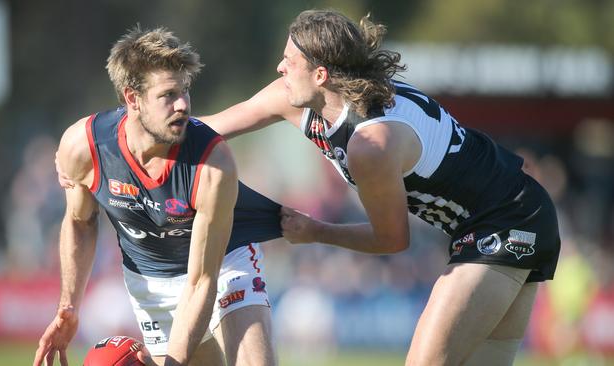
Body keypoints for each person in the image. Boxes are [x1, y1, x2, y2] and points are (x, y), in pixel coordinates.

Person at [198, 9, 562, 366]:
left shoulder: (371, 143)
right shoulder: (295, 97)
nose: (280, 68)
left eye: (289, 60)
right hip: (512, 214)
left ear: (321, 74)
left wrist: (316, 231)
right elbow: (207, 129)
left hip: (507, 221)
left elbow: (391, 239)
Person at [34, 27, 280, 366]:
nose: (183, 105)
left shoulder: (213, 162)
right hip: (150, 280)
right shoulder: (84, 146)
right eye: (168, 95)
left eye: (186, 92)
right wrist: (69, 307)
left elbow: (201, 280)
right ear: (132, 98)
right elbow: (79, 221)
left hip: (221, 268)